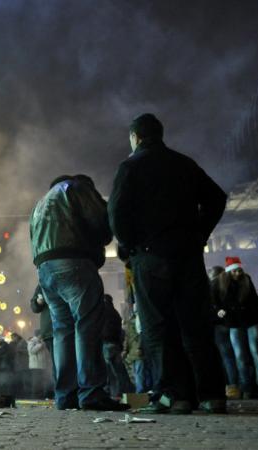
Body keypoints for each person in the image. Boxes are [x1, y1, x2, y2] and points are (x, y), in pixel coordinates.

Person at [108, 113, 227, 414]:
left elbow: (117, 212)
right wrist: (200, 233)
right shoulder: (184, 164)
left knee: (158, 328)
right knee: (196, 325)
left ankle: (175, 397)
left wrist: (130, 245)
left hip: (150, 256)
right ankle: (213, 395)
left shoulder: (130, 166)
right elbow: (216, 197)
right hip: (187, 256)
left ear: (135, 137)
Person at [31, 173, 126, 411]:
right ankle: (92, 393)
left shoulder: (41, 202)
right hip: (73, 261)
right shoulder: (76, 188)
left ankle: (65, 396)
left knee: (62, 330)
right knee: (87, 326)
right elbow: (102, 223)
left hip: (45, 268)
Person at [210, 257, 258, 398]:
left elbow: (252, 299)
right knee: (241, 355)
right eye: (234, 271)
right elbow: (213, 300)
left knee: (255, 352)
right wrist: (218, 310)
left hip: (251, 320)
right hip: (234, 322)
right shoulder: (218, 282)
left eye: (239, 270)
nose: (237, 273)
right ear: (228, 271)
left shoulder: (246, 279)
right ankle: (247, 387)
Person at [208, 265, 242, 399]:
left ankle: (231, 386)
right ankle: (239, 386)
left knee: (225, 357)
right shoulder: (233, 286)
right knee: (236, 355)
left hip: (218, 325)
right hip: (232, 324)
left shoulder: (210, 287)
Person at [102, 295, 134, 397]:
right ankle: (127, 393)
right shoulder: (115, 313)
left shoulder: (102, 312)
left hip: (106, 345)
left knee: (110, 373)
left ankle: (113, 393)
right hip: (115, 345)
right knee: (119, 371)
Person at [123, 305, 152, 393]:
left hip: (137, 352)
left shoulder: (131, 323)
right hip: (137, 352)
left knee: (139, 373)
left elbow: (129, 338)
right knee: (140, 373)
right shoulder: (140, 320)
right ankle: (143, 392)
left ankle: (140, 393)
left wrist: (126, 350)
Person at [28, 332, 53, 399]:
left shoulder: (42, 342)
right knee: (36, 382)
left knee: (41, 381)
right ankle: (35, 396)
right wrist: (39, 345)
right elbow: (31, 351)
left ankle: (41, 395)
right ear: (38, 335)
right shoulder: (32, 341)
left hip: (43, 365)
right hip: (35, 365)